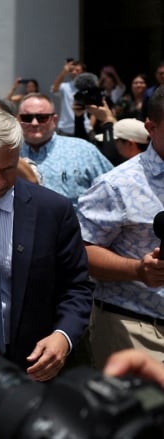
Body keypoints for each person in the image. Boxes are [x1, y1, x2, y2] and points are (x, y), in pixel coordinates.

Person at [0, 108, 93, 379]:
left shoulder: (52, 211)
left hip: (30, 366)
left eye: (8, 168)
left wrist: (62, 337)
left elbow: (76, 287)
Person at [76, 86, 164, 368]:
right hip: (136, 327)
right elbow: (82, 252)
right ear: (151, 127)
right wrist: (138, 270)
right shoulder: (116, 185)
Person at [17, 93, 113, 207]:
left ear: (54, 120)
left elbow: (114, 189)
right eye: (27, 118)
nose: (34, 123)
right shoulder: (7, 154)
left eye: (42, 118)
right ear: (18, 119)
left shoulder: (83, 151)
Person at [50, 59, 92, 136]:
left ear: (83, 73)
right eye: (72, 70)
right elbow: (54, 89)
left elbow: (93, 110)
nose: (74, 72)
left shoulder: (88, 88)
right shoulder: (65, 86)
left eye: (77, 70)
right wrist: (64, 72)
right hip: (65, 128)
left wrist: (91, 126)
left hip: (84, 127)